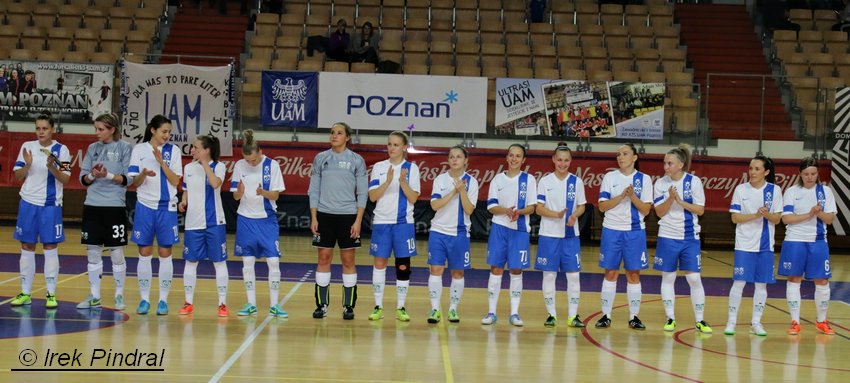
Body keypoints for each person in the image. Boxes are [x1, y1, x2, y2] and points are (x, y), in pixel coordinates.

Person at [9, 113, 71, 309]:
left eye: (44, 128)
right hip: (28, 203)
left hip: (50, 205)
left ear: (52, 129)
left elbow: (66, 179)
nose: (41, 132)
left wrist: (53, 168)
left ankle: (51, 294)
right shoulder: (27, 147)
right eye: (38, 128)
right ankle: (25, 292)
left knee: (50, 247)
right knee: (27, 247)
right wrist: (27, 164)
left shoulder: (61, 150)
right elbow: (18, 176)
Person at [308, 122, 368, 320]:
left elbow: (362, 193)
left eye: (339, 133)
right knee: (323, 258)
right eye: (332, 132)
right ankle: (321, 305)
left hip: (348, 216)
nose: (334, 136)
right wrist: (314, 217)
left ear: (348, 137)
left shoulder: (356, 160)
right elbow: (314, 190)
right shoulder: (321, 158)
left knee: (348, 260)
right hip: (324, 215)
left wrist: (358, 220)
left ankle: (348, 306)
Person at [652, 144, 712, 333]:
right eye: (664, 163)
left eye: (669, 163)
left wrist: (681, 202)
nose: (665, 167)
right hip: (667, 236)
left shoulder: (693, 182)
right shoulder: (660, 184)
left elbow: (700, 210)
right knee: (668, 277)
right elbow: (659, 212)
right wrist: (670, 199)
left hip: (689, 237)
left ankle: (700, 320)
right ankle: (670, 318)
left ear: (680, 164)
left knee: (694, 278)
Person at [76, 113, 133, 311]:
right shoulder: (92, 149)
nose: (97, 133)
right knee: (93, 252)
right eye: (96, 129)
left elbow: (128, 179)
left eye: (101, 129)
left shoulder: (125, 148)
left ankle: (119, 295)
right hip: (92, 205)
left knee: (116, 252)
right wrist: (93, 174)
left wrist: (106, 174)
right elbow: (82, 178)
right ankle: (94, 296)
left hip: (114, 206)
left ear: (112, 129)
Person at [128, 115, 183, 315]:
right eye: (164, 131)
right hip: (144, 206)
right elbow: (135, 182)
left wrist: (162, 163)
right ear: (153, 130)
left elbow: (176, 181)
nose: (167, 135)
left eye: (169, 132)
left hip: (166, 208)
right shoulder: (139, 150)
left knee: (165, 253)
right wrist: (143, 174)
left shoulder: (174, 151)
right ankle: (144, 300)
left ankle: (163, 300)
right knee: (144, 253)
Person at [595, 143, 653, 330]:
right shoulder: (610, 177)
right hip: (611, 230)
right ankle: (606, 315)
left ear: (635, 157)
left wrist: (633, 197)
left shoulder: (644, 179)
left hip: (634, 231)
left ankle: (634, 316)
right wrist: (621, 197)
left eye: (625, 153)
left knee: (633, 274)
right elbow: (602, 207)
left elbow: (646, 210)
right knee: (610, 272)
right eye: (618, 154)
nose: (621, 157)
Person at [231, 129, 288, 318]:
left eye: (253, 160)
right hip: (245, 219)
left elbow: (276, 195)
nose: (250, 163)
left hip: (266, 219)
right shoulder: (239, 165)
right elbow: (235, 196)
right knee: (247, 263)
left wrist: (263, 193)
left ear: (260, 152)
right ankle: (251, 304)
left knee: (273, 261)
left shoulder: (272, 165)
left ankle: (274, 305)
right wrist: (239, 192)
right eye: (247, 160)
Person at [725, 155, 783, 336]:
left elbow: (777, 219)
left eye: (757, 169)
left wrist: (766, 215)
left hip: (765, 246)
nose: (752, 172)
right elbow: (735, 218)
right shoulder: (741, 190)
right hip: (744, 244)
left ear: (766, 172)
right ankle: (731, 322)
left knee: (761, 285)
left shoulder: (774, 191)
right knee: (739, 283)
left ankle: (756, 323)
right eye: (751, 168)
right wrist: (755, 215)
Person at [367, 131, 421, 322]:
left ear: (405, 147)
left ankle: (400, 307)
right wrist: (388, 181)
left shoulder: (412, 169)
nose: (391, 148)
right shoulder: (379, 167)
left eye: (396, 144)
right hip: (382, 222)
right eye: (389, 144)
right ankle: (378, 306)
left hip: (403, 224)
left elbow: (414, 198)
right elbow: (372, 197)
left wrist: (402, 182)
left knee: (403, 265)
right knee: (379, 263)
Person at [780, 156, 836, 335]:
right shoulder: (791, 192)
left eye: (813, 173)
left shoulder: (825, 192)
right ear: (800, 174)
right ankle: (795, 321)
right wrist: (809, 214)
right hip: (794, 240)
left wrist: (818, 214)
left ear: (818, 173)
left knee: (822, 280)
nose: (810, 177)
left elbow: (829, 219)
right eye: (806, 174)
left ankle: (822, 321)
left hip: (818, 240)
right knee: (794, 279)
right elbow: (786, 219)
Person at [482, 144, 537, 327]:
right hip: (499, 229)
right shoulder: (497, 179)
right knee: (496, 269)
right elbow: (491, 206)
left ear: (523, 160)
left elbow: (533, 206)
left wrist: (519, 212)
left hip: (519, 230)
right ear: (507, 157)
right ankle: (491, 312)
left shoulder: (529, 180)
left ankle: (514, 313)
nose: (514, 159)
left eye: (518, 156)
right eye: (511, 155)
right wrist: (505, 211)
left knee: (516, 270)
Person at [535, 143, 586, 328]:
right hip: (549, 235)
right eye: (559, 160)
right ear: (553, 160)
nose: (562, 164)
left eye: (566, 160)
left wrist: (574, 215)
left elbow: (582, 206)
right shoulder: (545, 181)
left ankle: (573, 316)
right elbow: (538, 208)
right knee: (549, 275)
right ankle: (551, 315)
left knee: (573, 276)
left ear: (570, 161)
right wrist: (556, 215)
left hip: (571, 236)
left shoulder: (576, 182)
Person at [178, 135, 229, 317]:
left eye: (196, 147)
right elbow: (186, 189)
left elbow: (216, 183)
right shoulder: (188, 168)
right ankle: (188, 302)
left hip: (215, 222)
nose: (192, 150)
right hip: (193, 223)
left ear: (206, 150)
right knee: (191, 261)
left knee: (219, 262)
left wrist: (204, 163)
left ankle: (222, 303)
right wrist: (183, 201)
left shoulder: (219, 166)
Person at [426, 145, 478, 324]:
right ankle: (434, 309)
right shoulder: (440, 180)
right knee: (436, 270)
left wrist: (462, 190)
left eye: (458, 157)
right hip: (439, 231)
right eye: (451, 157)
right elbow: (435, 205)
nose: (454, 160)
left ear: (466, 161)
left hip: (460, 233)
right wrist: (453, 191)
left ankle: (453, 309)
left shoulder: (472, 182)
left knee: (457, 273)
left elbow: (469, 209)